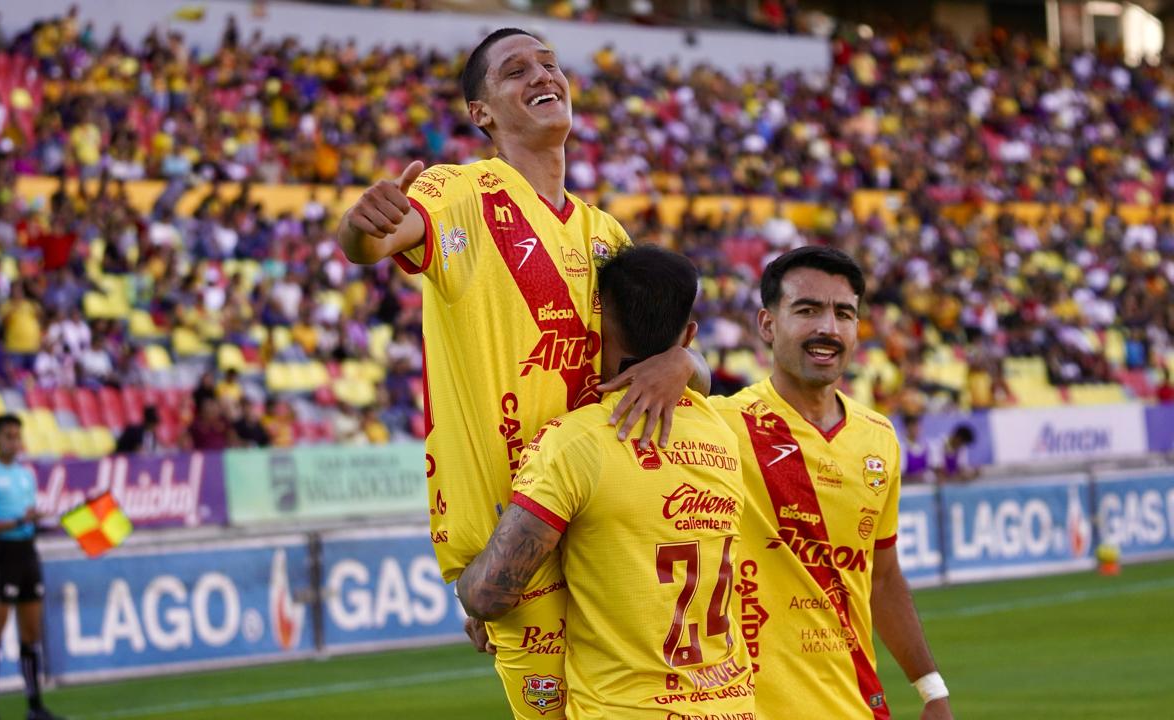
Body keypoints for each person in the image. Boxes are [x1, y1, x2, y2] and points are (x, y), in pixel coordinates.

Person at [337, 28, 709, 719]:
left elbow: (679, 370)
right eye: (515, 71)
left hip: (606, 544)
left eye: (550, 63)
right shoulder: (461, 192)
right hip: (521, 552)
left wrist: (684, 360)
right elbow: (376, 238)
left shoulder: (607, 236)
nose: (543, 75)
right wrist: (362, 227)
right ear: (481, 112)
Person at [458, 246, 755, 718]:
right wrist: (687, 362)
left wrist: (472, 592)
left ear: (593, 328)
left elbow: (488, 595)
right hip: (734, 704)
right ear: (690, 335)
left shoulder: (575, 442)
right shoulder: (721, 431)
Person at [709, 247, 953, 720]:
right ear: (767, 325)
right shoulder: (719, 425)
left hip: (854, 705)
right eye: (807, 310)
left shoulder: (879, 438)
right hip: (747, 706)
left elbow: (881, 579)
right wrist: (682, 367)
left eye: (844, 313)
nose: (828, 328)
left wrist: (931, 688)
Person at [0, 415, 63, 720]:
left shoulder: (26, 475)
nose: (14, 441)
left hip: (27, 553)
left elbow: (27, 518)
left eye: (17, 436)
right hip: (3, 555)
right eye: (8, 435)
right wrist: (20, 521)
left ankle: (35, 706)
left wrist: (38, 523)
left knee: (31, 633)